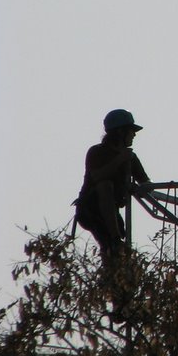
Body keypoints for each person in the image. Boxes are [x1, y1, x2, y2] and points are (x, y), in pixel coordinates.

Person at [74, 109, 151, 262]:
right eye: (131, 131)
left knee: (118, 255)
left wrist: (147, 187)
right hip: (91, 209)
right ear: (120, 132)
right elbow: (98, 176)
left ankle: (115, 270)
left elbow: (145, 183)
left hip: (111, 213)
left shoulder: (130, 157)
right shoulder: (97, 152)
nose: (134, 135)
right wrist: (120, 160)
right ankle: (113, 245)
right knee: (105, 186)